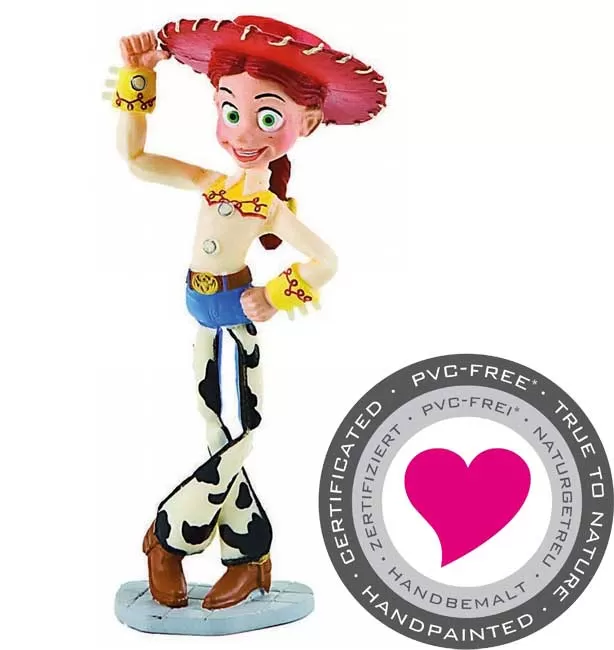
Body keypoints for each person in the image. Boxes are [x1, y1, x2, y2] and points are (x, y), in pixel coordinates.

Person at [110, 14, 386, 610]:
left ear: (305, 123)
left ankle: (168, 537)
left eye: (267, 117)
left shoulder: (269, 207)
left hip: (234, 327)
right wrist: (138, 79)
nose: (243, 132)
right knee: (222, 438)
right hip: (202, 322)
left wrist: (278, 294)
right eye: (230, 112)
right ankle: (250, 555)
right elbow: (135, 158)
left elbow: (326, 260)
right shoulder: (211, 182)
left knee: (237, 436)